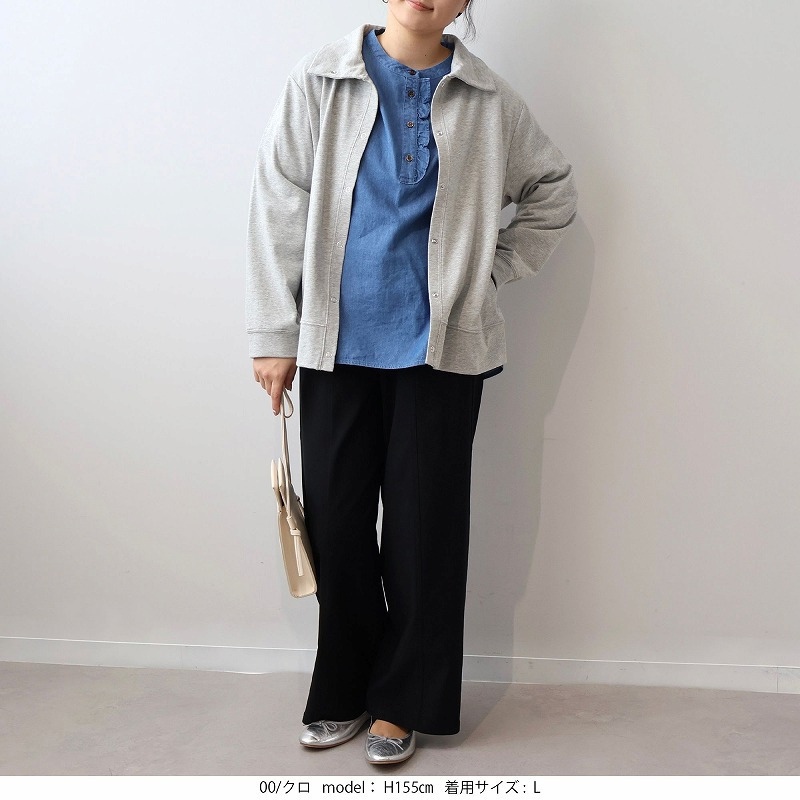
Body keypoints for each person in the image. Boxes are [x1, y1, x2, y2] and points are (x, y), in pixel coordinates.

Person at [246, 0, 578, 765]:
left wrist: (487, 274)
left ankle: (404, 702)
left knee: (423, 534)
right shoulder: (320, 79)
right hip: (334, 345)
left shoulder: (488, 98)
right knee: (336, 526)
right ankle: (345, 686)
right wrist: (273, 332)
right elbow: (277, 203)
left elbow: (553, 192)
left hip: (442, 350)